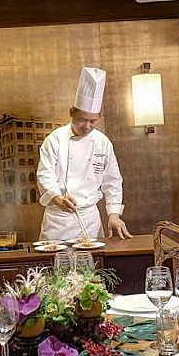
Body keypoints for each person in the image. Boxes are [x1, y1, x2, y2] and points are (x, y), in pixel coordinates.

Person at [37, 66, 132, 241]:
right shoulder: (55, 140)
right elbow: (45, 175)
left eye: (92, 121)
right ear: (71, 113)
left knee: (92, 259)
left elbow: (112, 181)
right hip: (58, 220)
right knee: (56, 259)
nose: (87, 126)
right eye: (82, 120)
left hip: (90, 220)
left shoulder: (103, 142)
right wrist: (57, 198)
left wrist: (114, 214)